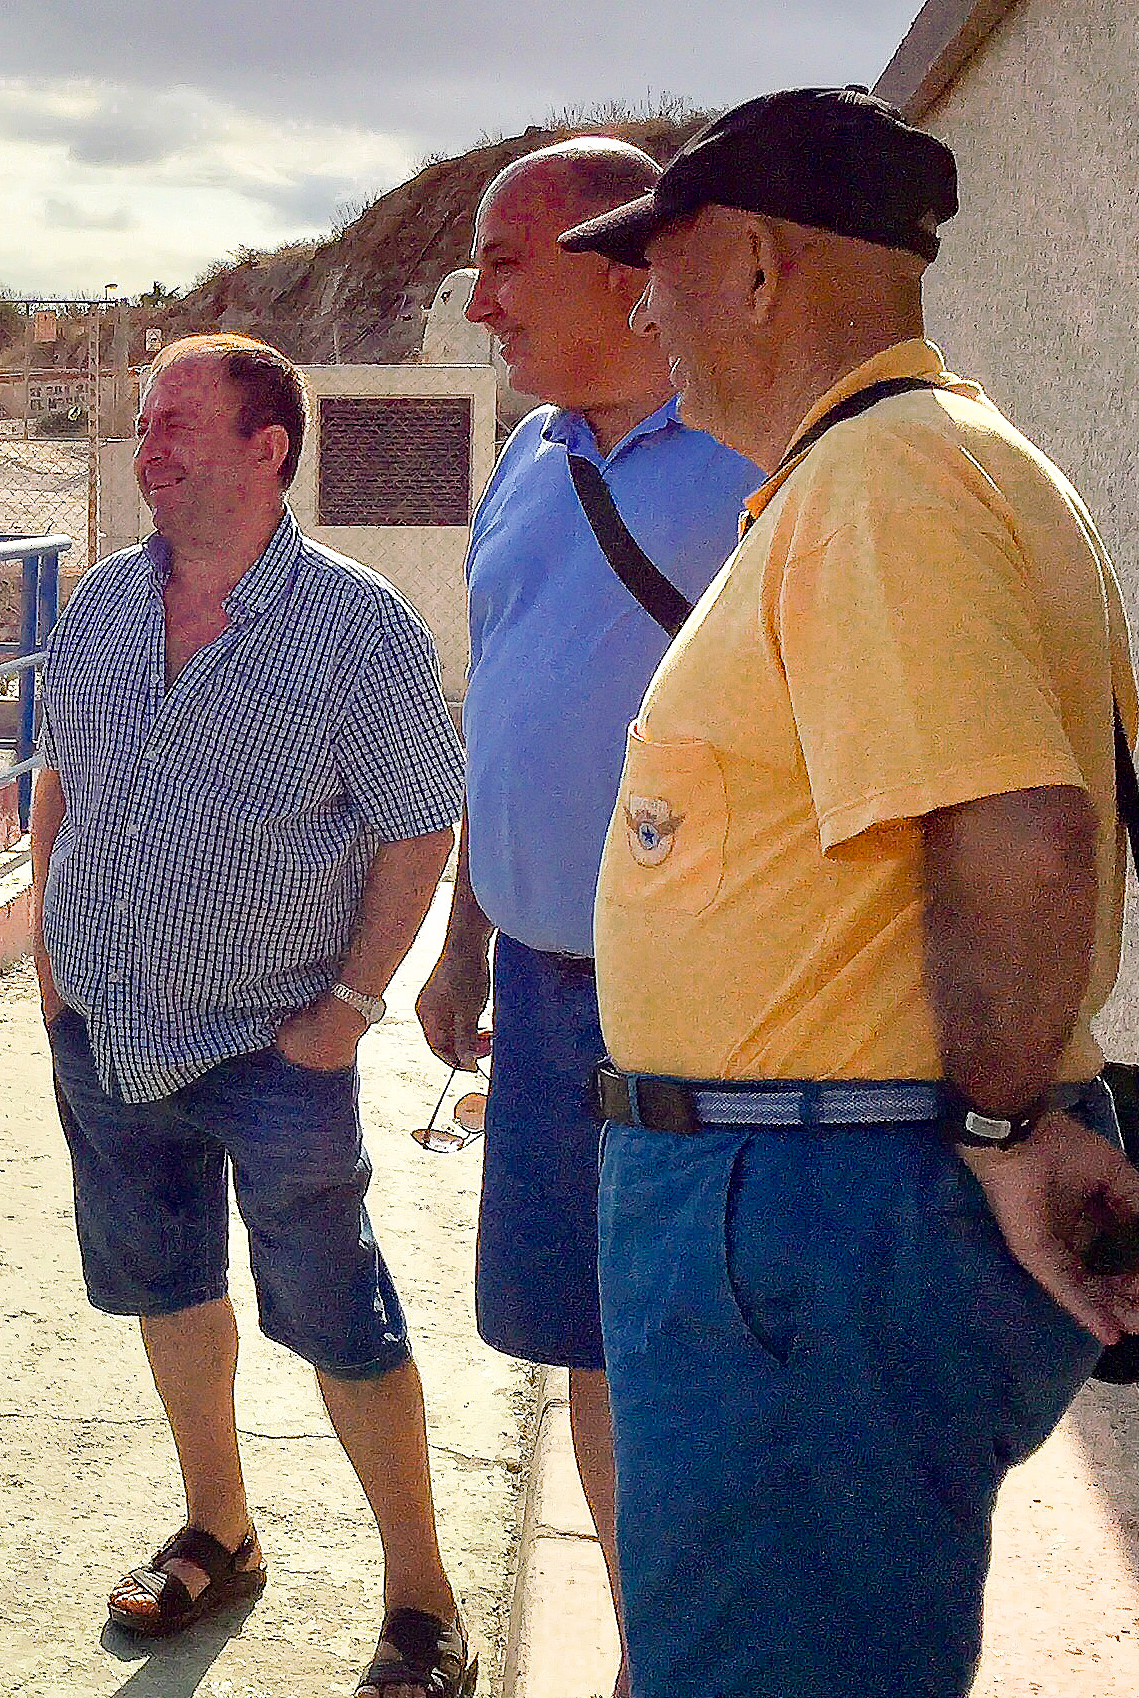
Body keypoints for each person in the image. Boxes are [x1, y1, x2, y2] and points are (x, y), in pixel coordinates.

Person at [555, 87, 1139, 1698]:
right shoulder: (909, 466)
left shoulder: (884, 481)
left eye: (665, 261)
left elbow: (1018, 838)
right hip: (803, 1207)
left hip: (805, 1221)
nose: (643, 302)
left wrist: (996, 1123)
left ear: (764, 267)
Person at [33, 333, 475, 1698]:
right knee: (167, 1285)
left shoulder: (358, 626)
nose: (147, 446)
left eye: (175, 423)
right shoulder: (103, 604)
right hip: (105, 1033)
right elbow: (65, 779)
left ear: (266, 446)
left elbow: (420, 825)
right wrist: (53, 960)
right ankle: (219, 1526)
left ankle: (421, 1599)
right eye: (146, 424)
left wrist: (350, 1009)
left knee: (341, 1314)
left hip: (277, 1047)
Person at [411, 138, 763, 1697]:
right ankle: (650, 1659)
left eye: (507, 260)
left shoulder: (764, 465)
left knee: (704, 1354)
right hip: (547, 993)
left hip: (708, 1002)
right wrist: (466, 932)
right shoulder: (528, 457)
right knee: (593, 1346)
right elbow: (510, 705)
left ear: (630, 277)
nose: (477, 297)